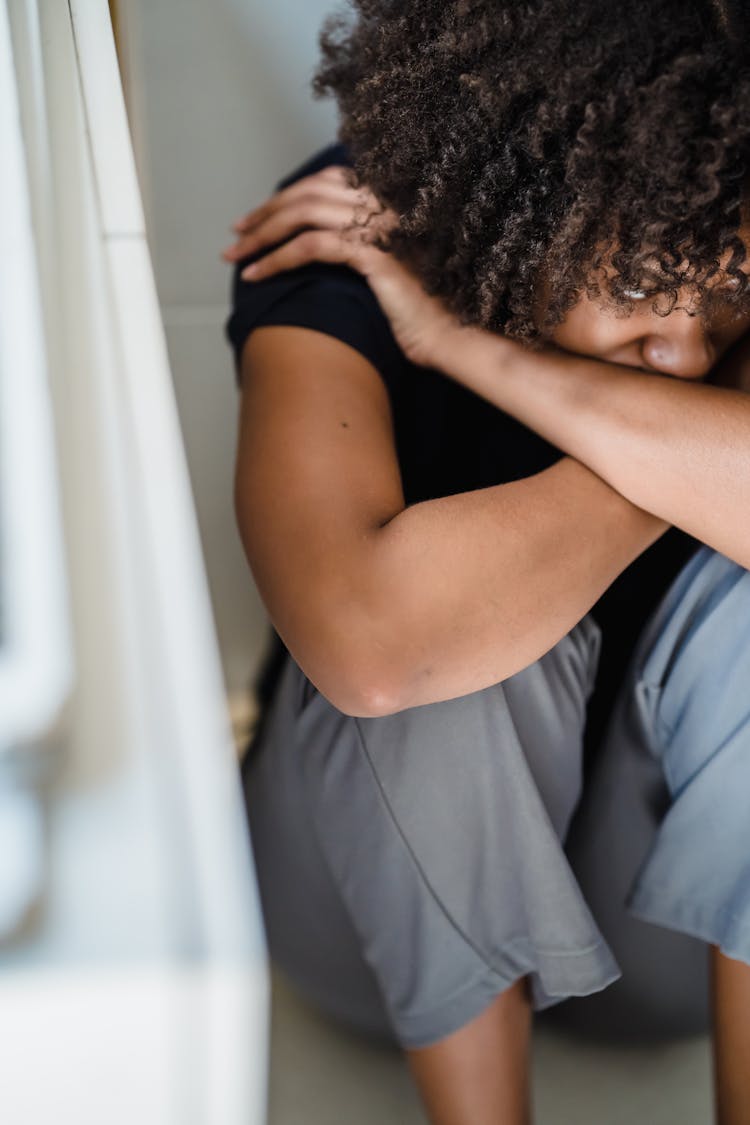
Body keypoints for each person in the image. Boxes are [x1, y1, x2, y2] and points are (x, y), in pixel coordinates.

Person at [222, 2, 750, 1122]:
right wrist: (687, 453)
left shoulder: (733, 191)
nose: (689, 353)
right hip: (373, 926)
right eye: (649, 297)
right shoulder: (353, 226)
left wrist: (471, 353)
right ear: (529, 205)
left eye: (730, 300)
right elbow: (371, 650)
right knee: (451, 628)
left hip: (661, 925)